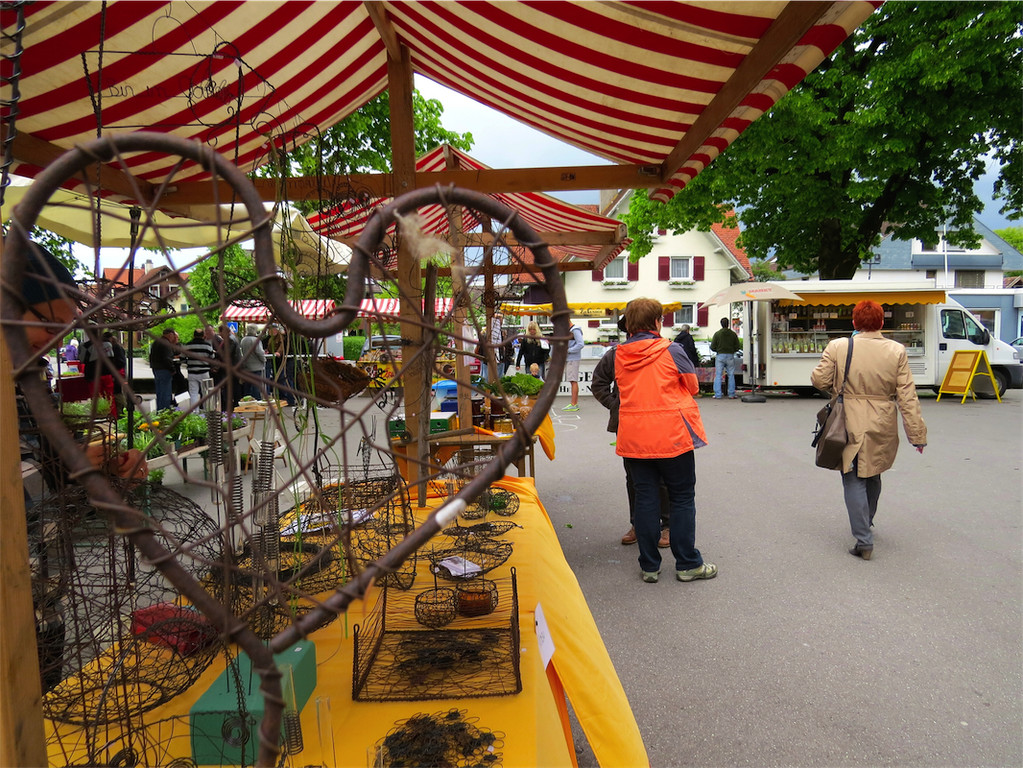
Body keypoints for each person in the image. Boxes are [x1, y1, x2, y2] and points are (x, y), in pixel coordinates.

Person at [811, 300, 927, 560]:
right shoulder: (897, 350)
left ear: (854, 322)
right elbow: (907, 396)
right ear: (882, 322)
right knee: (873, 472)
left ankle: (864, 540)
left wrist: (838, 385)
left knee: (852, 476)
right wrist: (917, 435)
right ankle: (867, 520)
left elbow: (819, 379)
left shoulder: (839, 346)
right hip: (882, 420)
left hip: (848, 418)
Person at [613, 297, 716, 583]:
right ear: (657, 322)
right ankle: (688, 564)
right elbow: (692, 386)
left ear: (629, 324)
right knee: (681, 497)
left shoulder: (618, 354)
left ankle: (649, 566)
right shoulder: (672, 350)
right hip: (672, 434)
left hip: (634, 436)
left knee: (645, 498)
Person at [592, 311, 672, 549]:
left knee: (662, 477)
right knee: (634, 477)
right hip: (628, 424)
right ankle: (638, 524)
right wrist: (615, 405)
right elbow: (598, 383)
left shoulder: (665, 350)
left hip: (660, 421)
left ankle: (667, 525)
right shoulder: (616, 354)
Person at [710, 316, 741, 399]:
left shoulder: (717, 334)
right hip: (730, 355)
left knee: (718, 375)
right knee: (731, 375)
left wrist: (717, 350)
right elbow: (737, 346)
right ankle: (731, 394)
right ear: (728, 324)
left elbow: (712, 347)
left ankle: (718, 394)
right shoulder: (733, 334)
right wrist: (732, 350)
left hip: (720, 355)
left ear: (721, 324)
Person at [149, 327, 180, 411]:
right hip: (164, 370)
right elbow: (167, 358)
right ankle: (165, 411)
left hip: (156, 369)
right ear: (170, 335)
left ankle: (160, 410)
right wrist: (172, 369)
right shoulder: (166, 344)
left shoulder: (156, 342)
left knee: (160, 392)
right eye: (174, 336)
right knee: (166, 392)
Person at [183, 328, 214, 408]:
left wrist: (188, 362)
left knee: (193, 393)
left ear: (194, 336)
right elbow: (212, 357)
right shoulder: (207, 346)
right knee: (206, 393)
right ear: (203, 336)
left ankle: (195, 412)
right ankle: (206, 411)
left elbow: (182, 358)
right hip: (204, 373)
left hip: (192, 372)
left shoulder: (188, 345)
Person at [239, 325, 267, 400]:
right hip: (256, 366)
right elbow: (259, 352)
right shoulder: (256, 340)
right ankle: (257, 400)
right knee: (256, 387)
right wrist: (264, 360)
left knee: (247, 386)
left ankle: (247, 401)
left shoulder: (243, 340)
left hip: (246, 366)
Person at [562, 320, 584, 411]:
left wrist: (568, 350)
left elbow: (581, 344)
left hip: (573, 359)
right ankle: (573, 403)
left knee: (573, 380)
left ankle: (574, 403)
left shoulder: (575, 330)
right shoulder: (571, 330)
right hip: (570, 358)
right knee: (572, 380)